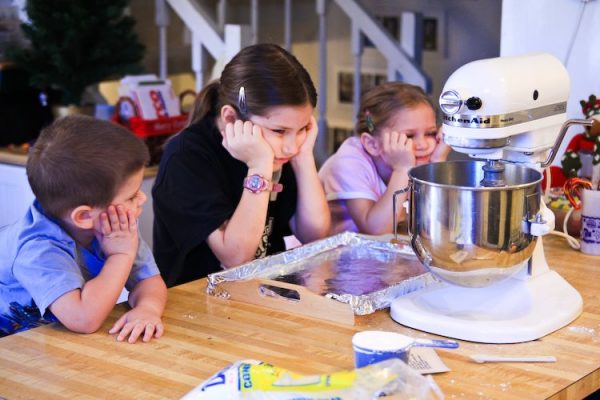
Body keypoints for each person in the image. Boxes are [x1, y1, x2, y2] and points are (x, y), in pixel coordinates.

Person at [152, 43, 330, 287]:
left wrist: (304, 157)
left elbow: (315, 235)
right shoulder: (187, 158)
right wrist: (259, 168)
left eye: (303, 129)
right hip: (198, 303)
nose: (291, 146)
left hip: (262, 294)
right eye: (279, 130)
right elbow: (236, 257)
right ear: (230, 118)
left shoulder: (283, 151)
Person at [0, 116, 167, 342]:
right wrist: (120, 255)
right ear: (85, 216)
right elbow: (83, 319)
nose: (142, 198)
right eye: (131, 196)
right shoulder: (37, 249)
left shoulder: (114, 226)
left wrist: (148, 308)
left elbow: (147, 280)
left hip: (43, 341)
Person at [319, 82, 450, 235]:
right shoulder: (349, 162)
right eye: (409, 136)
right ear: (372, 144)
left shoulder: (416, 158)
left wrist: (437, 162)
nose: (423, 144)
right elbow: (376, 231)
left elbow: (435, 226)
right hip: (327, 253)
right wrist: (402, 170)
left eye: (430, 133)